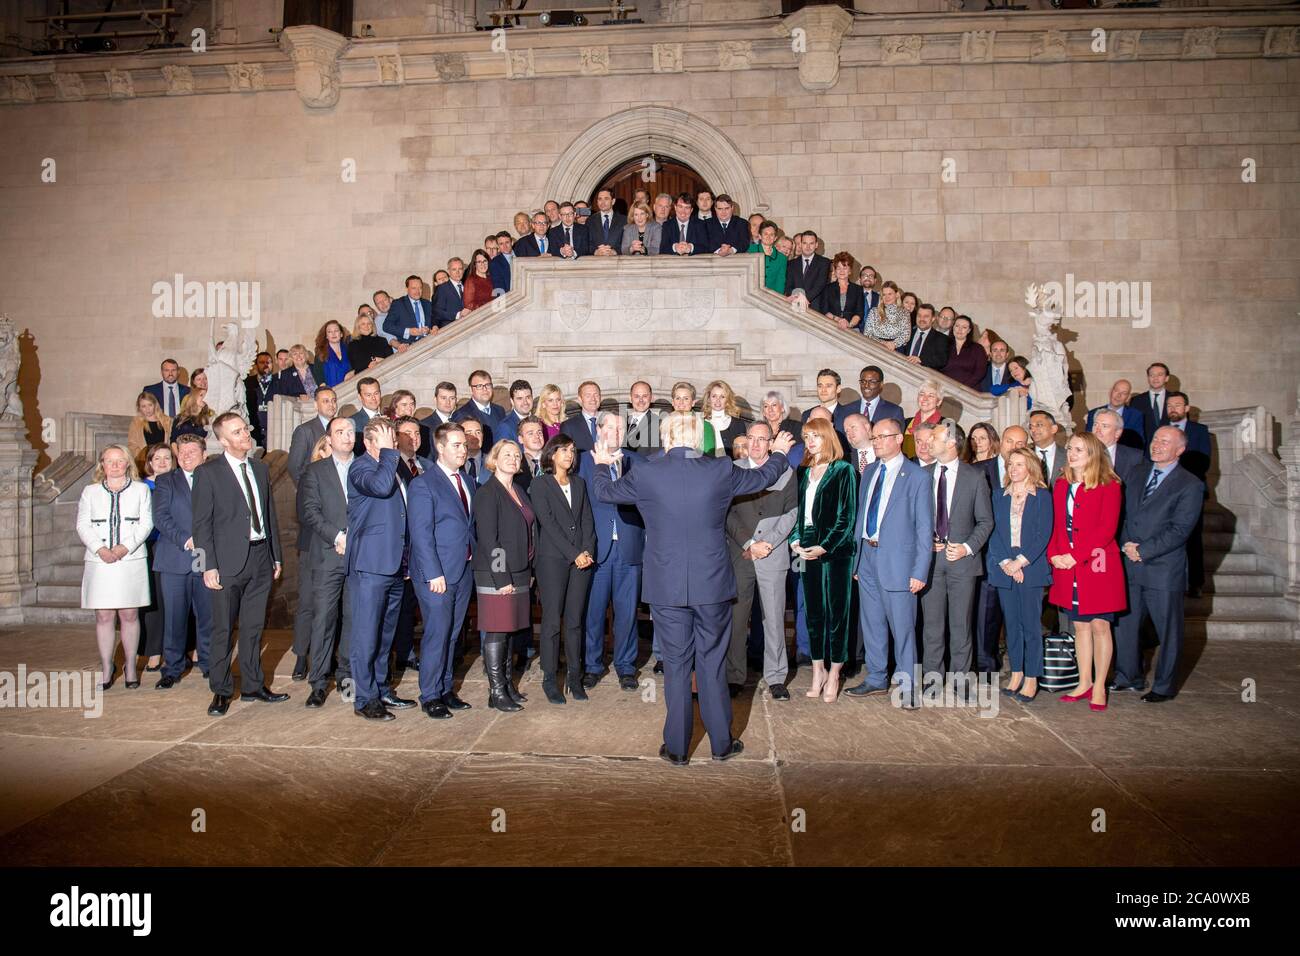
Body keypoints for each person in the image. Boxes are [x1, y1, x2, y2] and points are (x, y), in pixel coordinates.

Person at [591, 412, 795, 765]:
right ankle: (721, 744)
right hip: (712, 584)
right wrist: (777, 451)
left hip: (666, 586)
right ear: (699, 441)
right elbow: (765, 476)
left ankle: (677, 748)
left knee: (676, 665)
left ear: (667, 439)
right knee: (712, 662)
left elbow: (603, 491)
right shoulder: (720, 470)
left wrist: (599, 463)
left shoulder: (647, 471)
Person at [192, 413, 286, 716]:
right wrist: (207, 566)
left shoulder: (259, 468)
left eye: (245, 428)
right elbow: (201, 525)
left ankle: (253, 685)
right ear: (222, 440)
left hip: (260, 557)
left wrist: (276, 555)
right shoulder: (208, 473)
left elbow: (268, 515)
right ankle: (220, 690)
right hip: (227, 562)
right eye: (237, 431)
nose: (245, 434)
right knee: (222, 629)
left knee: (253, 627)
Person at [845, 418, 933, 705]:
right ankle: (876, 678)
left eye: (883, 437)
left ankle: (907, 685)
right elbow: (861, 517)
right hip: (867, 556)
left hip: (899, 562)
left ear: (898, 439)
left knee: (903, 627)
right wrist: (857, 561)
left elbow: (924, 528)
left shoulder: (917, 476)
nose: (877, 441)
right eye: (875, 437)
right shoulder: (869, 472)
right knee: (872, 623)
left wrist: (920, 570)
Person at [1114, 426, 1205, 702]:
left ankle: (1164, 686)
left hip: (1163, 569)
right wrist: (1127, 544)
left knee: (1168, 631)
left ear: (1179, 450)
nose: (1157, 445)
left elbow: (1180, 530)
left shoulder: (1190, 484)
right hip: (1130, 563)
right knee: (1126, 625)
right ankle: (1128, 677)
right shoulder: (1137, 473)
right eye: (1155, 439)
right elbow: (1126, 514)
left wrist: (1143, 550)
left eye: (1165, 442)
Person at [1050, 433, 1126, 713]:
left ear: (1093, 453)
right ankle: (1084, 682)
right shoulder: (1061, 484)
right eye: (1070, 448)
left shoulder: (1109, 484)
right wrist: (1054, 556)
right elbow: (1058, 525)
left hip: (1097, 564)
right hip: (1068, 566)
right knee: (1079, 626)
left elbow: (1106, 530)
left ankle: (1100, 686)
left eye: (1078, 449)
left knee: (1100, 626)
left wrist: (1074, 556)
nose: (1071, 453)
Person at [346, 416, 414, 721]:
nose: (393, 445)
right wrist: (389, 452)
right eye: (386, 440)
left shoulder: (393, 465)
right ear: (368, 442)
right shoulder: (361, 467)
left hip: (396, 564)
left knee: (386, 634)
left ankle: (382, 687)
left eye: (394, 440)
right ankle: (365, 698)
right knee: (366, 635)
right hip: (370, 566)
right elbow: (382, 487)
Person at [407, 422, 477, 719]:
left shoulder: (468, 481)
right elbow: (420, 534)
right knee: (437, 633)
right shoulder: (423, 483)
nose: (463, 450)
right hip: (436, 574)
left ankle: (446, 687)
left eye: (464, 445)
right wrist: (434, 573)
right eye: (457, 445)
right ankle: (430, 694)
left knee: (453, 633)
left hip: (463, 569)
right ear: (440, 447)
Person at [726, 421, 798, 699]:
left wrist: (769, 543)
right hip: (741, 555)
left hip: (773, 553)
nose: (755, 444)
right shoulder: (734, 470)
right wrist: (749, 543)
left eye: (761, 439)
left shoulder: (786, 472)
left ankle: (776, 676)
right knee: (736, 616)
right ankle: (734, 675)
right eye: (751, 439)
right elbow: (728, 514)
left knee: (773, 618)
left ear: (771, 443)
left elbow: (791, 512)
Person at [577, 412, 647, 690]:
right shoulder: (583, 462)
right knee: (593, 612)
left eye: (621, 427)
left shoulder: (638, 462)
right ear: (599, 429)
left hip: (630, 548)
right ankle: (592, 665)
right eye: (611, 426)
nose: (617, 431)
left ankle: (626, 666)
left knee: (627, 612)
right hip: (596, 548)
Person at [790, 418, 858, 703]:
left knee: (837, 616)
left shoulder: (844, 470)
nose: (811, 441)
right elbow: (799, 512)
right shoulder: (805, 471)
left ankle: (834, 673)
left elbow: (847, 518)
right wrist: (795, 539)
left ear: (828, 438)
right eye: (807, 436)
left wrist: (824, 546)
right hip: (807, 550)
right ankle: (817, 671)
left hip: (836, 553)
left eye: (816, 436)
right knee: (814, 615)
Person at [918, 422, 993, 683]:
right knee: (932, 626)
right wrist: (925, 540)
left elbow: (986, 521)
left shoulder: (974, 476)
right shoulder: (922, 475)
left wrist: (967, 547)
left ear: (951, 443)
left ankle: (961, 679)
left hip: (963, 563)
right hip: (930, 562)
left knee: (961, 625)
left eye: (935, 437)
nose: (929, 442)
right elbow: (913, 519)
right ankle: (932, 678)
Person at [78, 445, 154, 691]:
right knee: (104, 615)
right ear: (102, 464)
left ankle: (130, 665)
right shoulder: (90, 492)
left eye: (119, 461)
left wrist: (124, 548)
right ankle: (106, 666)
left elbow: (146, 524)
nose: (114, 465)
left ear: (127, 464)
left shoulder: (141, 490)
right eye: (109, 461)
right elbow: (82, 525)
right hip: (100, 562)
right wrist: (100, 549)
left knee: (129, 614)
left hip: (129, 560)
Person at [529, 433, 596, 704]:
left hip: (582, 561)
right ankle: (549, 679)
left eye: (572, 450)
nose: (569, 455)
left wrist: (587, 551)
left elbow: (588, 521)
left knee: (574, 622)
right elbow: (547, 523)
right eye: (563, 450)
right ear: (551, 454)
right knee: (552, 622)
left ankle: (574, 677)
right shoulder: (540, 484)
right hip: (552, 560)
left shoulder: (579, 483)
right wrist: (573, 553)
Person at [472, 439, 537, 712]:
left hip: (520, 571)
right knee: (498, 631)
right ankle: (496, 691)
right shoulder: (488, 493)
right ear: (494, 459)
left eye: (516, 455)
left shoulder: (519, 489)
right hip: (496, 574)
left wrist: (528, 571)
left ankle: (507, 685)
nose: (512, 458)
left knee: (511, 630)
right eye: (506, 454)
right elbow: (489, 539)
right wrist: (503, 579)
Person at [297, 417, 356, 708]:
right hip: (328, 555)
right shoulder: (315, 471)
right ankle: (318, 682)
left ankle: (347, 678)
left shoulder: (364, 468)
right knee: (323, 620)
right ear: (329, 439)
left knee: (353, 620)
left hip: (359, 558)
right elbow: (310, 511)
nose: (346, 436)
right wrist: (336, 536)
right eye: (340, 432)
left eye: (350, 432)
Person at [987, 448, 1053, 703]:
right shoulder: (998, 496)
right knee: (1011, 625)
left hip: (1031, 569)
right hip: (1005, 568)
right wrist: (1007, 563)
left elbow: (1043, 534)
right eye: (1010, 464)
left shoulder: (1042, 496)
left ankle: (1032, 677)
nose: (1013, 469)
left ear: (1031, 468)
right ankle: (1016, 671)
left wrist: (1020, 563)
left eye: (1019, 464)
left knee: (1030, 625)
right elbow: (993, 533)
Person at [151, 434, 212, 688]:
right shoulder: (166, 481)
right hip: (176, 555)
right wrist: (186, 540)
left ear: (204, 455)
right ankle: (172, 668)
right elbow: (161, 517)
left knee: (208, 614)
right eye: (182, 452)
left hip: (205, 556)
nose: (186, 457)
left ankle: (210, 665)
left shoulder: (213, 479)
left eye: (192, 452)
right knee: (175, 617)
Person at [1164, 391, 1210, 595]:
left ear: (1187, 408)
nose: (1173, 408)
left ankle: (1195, 582)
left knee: (1193, 538)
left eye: (1177, 405)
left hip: (1190, 492)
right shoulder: (1161, 430)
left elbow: (1203, 462)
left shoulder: (1199, 431)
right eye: (1170, 405)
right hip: (1165, 494)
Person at [139, 443, 174, 673]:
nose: (162, 462)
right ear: (149, 462)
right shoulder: (141, 488)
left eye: (167, 458)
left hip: (174, 546)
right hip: (149, 546)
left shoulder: (179, 484)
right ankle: (153, 650)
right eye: (157, 458)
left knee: (174, 601)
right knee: (153, 602)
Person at [453, 369, 508, 449]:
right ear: (471, 389)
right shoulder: (461, 414)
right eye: (479, 386)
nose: (485, 389)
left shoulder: (500, 410)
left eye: (488, 385)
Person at [1085, 379, 1146, 451]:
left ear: (1128, 398)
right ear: (1110, 392)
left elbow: (1139, 443)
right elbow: (1088, 440)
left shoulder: (1136, 416)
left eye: (1123, 393)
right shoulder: (1093, 413)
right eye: (1116, 391)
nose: (1118, 395)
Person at [1091, 408, 1143, 487]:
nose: (1097, 430)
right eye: (1095, 424)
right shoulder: (1081, 454)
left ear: (1117, 433)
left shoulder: (1135, 458)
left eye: (1104, 426)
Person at [817, 252, 864, 332]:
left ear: (850, 271)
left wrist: (849, 325)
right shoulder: (827, 288)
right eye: (838, 268)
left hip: (852, 329)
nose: (841, 271)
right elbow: (824, 311)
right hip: (831, 327)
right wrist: (838, 320)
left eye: (845, 268)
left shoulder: (858, 289)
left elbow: (859, 313)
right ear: (835, 271)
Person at [384, 274, 436, 346]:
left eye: (420, 288)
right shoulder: (398, 304)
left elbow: (435, 321)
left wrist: (431, 328)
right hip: (409, 347)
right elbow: (387, 326)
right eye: (414, 288)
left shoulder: (428, 304)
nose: (417, 291)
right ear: (407, 288)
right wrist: (409, 331)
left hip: (429, 343)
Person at [897, 304, 951, 371]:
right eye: (919, 315)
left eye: (926, 316)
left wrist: (921, 360)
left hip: (924, 376)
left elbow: (941, 360)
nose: (922, 319)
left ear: (933, 318)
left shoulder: (941, 338)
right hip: (902, 371)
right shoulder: (907, 332)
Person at [941, 315, 989, 390]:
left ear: (969, 330)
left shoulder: (978, 349)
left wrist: (962, 387)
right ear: (953, 327)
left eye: (964, 327)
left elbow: (980, 372)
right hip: (945, 389)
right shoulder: (943, 345)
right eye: (957, 326)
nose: (959, 330)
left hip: (968, 392)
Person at [1128, 362, 1171, 444]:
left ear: (1166, 378)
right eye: (1152, 375)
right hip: (1144, 450)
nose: (1155, 378)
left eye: (1160, 375)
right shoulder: (1136, 401)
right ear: (1148, 378)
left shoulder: (1175, 399)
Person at [127, 391, 171, 472]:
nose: (147, 409)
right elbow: (132, 445)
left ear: (155, 405)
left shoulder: (167, 421)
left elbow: (171, 442)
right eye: (143, 406)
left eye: (150, 405)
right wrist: (144, 459)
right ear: (139, 408)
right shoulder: (136, 422)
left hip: (164, 463)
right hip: (144, 464)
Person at [702, 379, 749, 454]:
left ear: (727, 400)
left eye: (722, 397)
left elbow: (743, 454)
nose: (718, 400)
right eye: (714, 396)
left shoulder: (738, 424)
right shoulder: (700, 423)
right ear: (708, 399)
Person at [902, 379, 943, 460]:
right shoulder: (907, 422)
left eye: (931, 395)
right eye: (922, 394)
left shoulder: (944, 425)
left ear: (939, 402)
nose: (925, 399)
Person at [784, 230, 830, 304]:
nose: (808, 247)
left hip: (815, 308)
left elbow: (820, 285)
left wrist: (804, 299)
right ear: (801, 245)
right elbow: (788, 286)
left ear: (816, 245)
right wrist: (795, 298)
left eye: (811, 243)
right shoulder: (791, 264)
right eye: (805, 243)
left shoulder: (824, 262)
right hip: (795, 305)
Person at [862, 280, 910, 349]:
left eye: (890, 294)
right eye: (884, 294)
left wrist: (894, 344)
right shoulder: (874, 311)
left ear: (896, 295)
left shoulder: (904, 313)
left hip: (896, 349)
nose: (887, 297)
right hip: (876, 348)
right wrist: (883, 343)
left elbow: (906, 334)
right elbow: (867, 333)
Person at [244, 351, 278, 447]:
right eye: (262, 362)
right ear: (256, 365)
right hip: (253, 429)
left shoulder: (279, 382)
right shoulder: (247, 382)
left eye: (269, 362)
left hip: (273, 430)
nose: (266, 365)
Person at [561, 379, 604, 452]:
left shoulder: (610, 422)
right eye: (588, 395)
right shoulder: (569, 426)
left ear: (600, 398)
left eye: (596, 395)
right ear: (580, 400)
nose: (593, 399)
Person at [1028, 409, 1067, 485]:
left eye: (1039, 425)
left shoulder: (1068, 456)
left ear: (1053, 429)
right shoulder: (1025, 456)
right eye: (1030, 426)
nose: (1033, 430)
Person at [748, 220, 787, 293]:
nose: (768, 237)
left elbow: (780, 281)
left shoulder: (782, 258)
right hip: (752, 294)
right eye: (765, 234)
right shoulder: (750, 250)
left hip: (771, 297)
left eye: (772, 234)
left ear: (775, 238)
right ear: (760, 236)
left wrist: (777, 299)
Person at [588, 188, 628, 255]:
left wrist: (615, 251)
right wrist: (596, 251)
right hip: (596, 261)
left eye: (606, 199)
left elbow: (627, 244)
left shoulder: (624, 220)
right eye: (600, 199)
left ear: (613, 201)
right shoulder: (590, 220)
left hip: (617, 261)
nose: (602, 202)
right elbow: (587, 243)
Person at [315, 320, 353, 388]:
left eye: (336, 331)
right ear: (326, 336)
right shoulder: (320, 352)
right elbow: (318, 375)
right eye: (329, 332)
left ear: (341, 334)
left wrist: (352, 372)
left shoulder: (349, 349)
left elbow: (357, 366)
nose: (333, 334)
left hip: (349, 389)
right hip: (330, 392)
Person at [625, 380, 660, 450]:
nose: (641, 400)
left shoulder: (659, 424)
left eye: (645, 396)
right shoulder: (622, 422)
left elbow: (657, 455)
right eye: (636, 396)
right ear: (630, 399)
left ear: (651, 398)